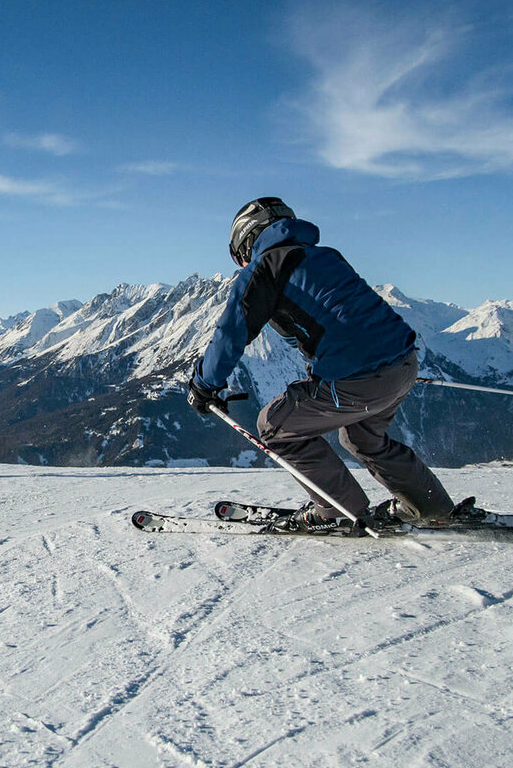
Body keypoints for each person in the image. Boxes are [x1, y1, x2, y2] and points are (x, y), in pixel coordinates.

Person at [188, 196, 455, 533]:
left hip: (358, 377)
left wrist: (203, 384)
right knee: (364, 438)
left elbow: (230, 334)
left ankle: (337, 510)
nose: (242, 263)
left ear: (246, 242)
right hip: (403, 365)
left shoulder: (264, 269)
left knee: (273, 426)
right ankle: (432, 506)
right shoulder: (326, 256)